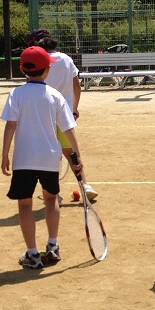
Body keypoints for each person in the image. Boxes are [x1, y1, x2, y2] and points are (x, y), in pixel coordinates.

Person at [1, 46, 84, 269]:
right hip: (49, 159)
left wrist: (4, 155)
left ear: (21, 69)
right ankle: (53, 246)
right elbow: (69, 129)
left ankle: (32, 253)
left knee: (25, 205)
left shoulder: (16, 94)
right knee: (51, 200)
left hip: (24, 159)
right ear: (47, 70)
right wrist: (76, 156)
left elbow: (10, 126)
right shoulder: (55, 96)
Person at [25, 29, 98, 200]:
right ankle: (85, 185)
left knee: (48, 154)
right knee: (71, 153)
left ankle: (53, 193)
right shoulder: (66, 59)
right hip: (65, 113)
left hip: (44, 115)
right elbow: (76, 86)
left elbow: (33, 89)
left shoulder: (38, 62)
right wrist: (74, 107)